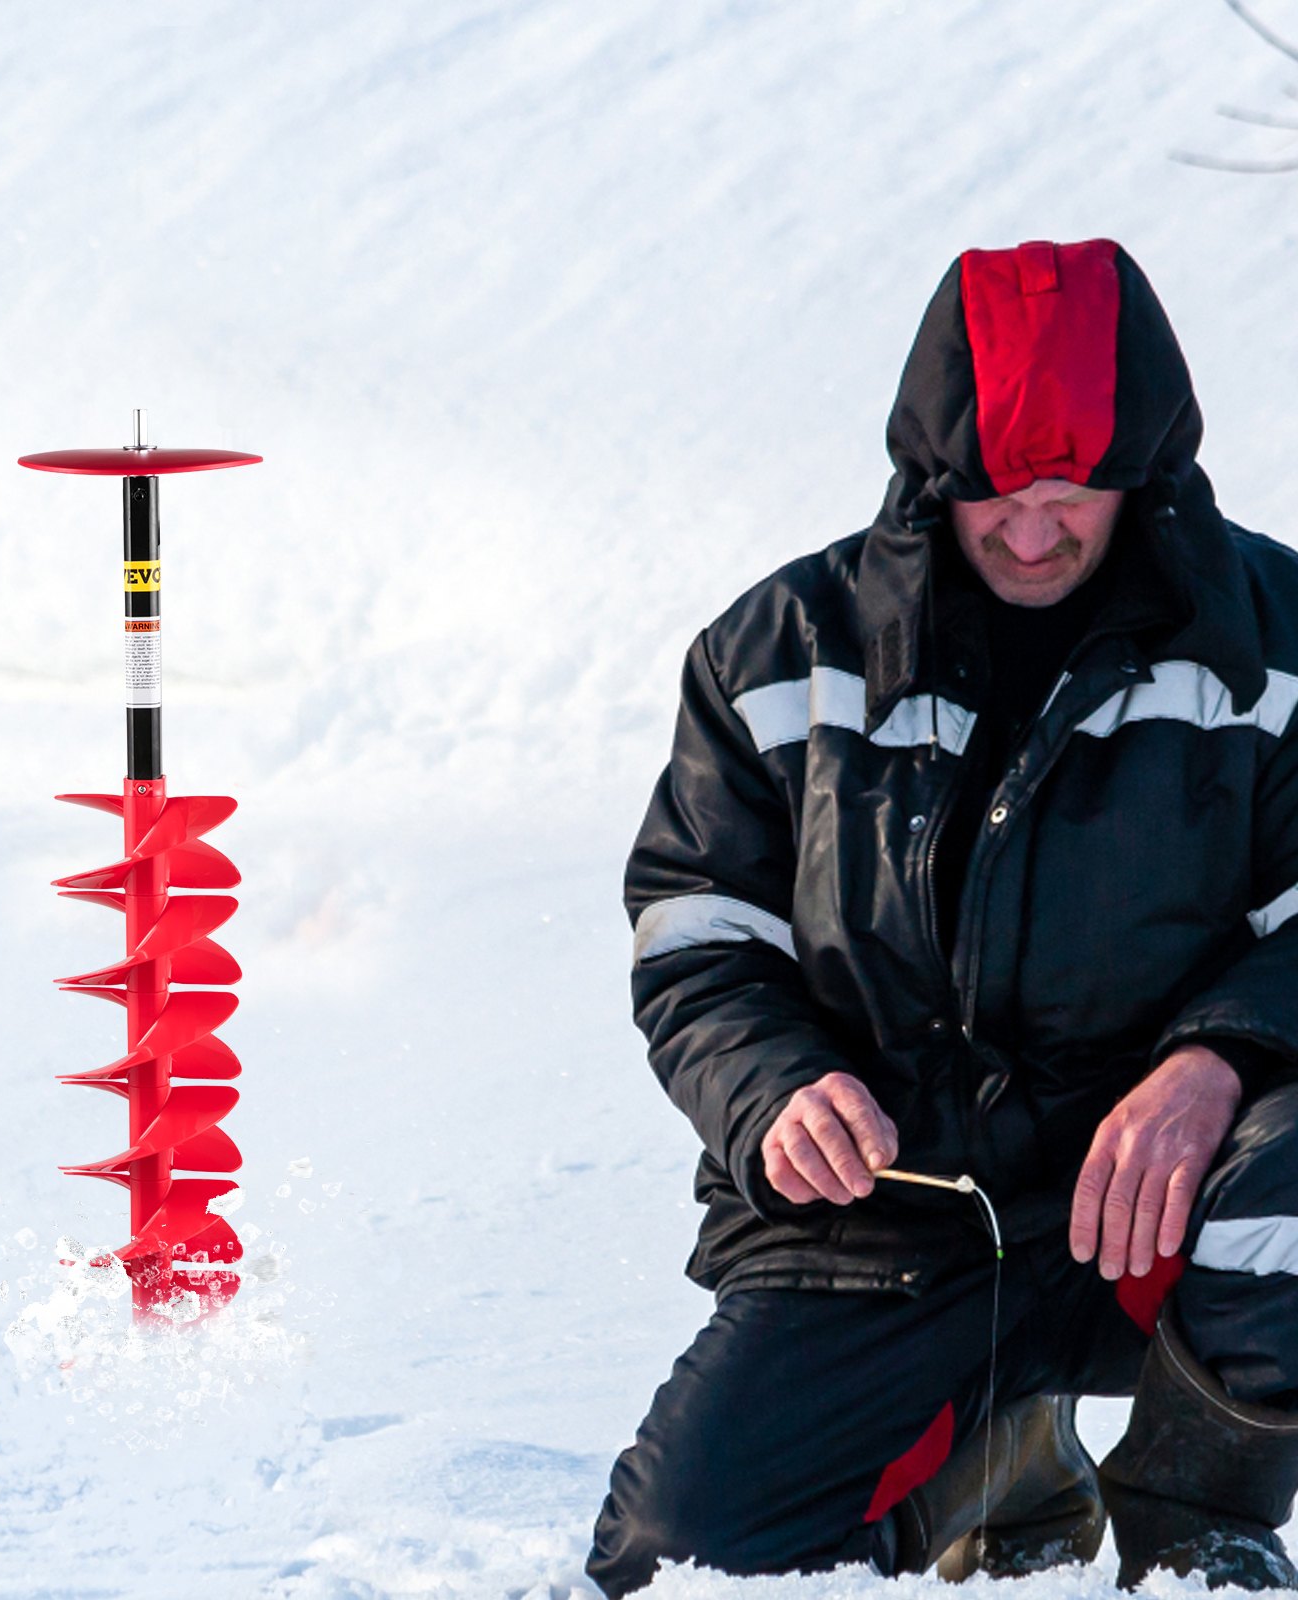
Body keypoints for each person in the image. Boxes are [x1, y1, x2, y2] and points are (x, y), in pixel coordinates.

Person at [587, 238, 1298, 1595]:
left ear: (1140, 470)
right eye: (992, 497)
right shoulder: (781, 651)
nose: (1032, 535)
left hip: (1156, 1218)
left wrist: (1221, 1060)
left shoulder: (1272, 642)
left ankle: (1201, 1517)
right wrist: (774, 1089)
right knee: (681, 1561)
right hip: (891, 1221)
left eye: (1069, 495)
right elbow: (698, 933)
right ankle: (982, 1463)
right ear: (931, 472)